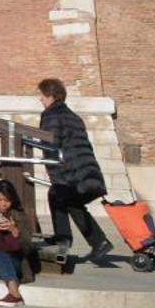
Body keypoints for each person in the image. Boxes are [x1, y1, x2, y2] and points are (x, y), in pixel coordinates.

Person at [36, 77, 113, 261]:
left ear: (51, 95)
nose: (40, 99)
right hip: (87, 172)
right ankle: (73, 239)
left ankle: (90, 241)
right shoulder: (73, 116)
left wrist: (54, 174)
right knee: (63, 198)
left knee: (61, 195)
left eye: (42, 95)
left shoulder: (51, 115)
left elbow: (50, 145)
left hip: (71, 173)